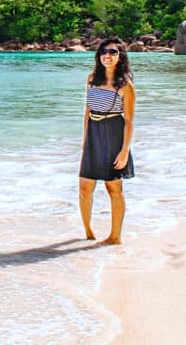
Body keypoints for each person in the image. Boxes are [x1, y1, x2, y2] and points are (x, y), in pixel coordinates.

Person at [79, 38, 136, 245]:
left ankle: (115, 237)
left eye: (112, 52)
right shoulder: (92, 78)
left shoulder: (125, 85)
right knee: (85, 187)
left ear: (120, 56)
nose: (107, 55)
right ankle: (88, 233)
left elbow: (129, 120)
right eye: (103, 52)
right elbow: (87, 110)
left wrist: (124, 151)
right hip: (94, 132)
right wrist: (85, 140)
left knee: (113, 189)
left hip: (113, 133)